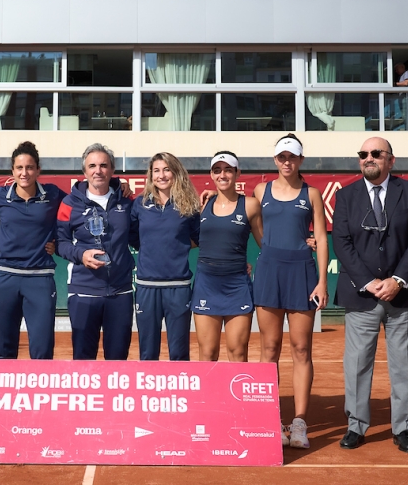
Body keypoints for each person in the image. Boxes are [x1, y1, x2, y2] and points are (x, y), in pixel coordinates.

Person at [333, 137, 408, 453]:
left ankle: (403, 429)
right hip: (362, 294)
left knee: (404, 365)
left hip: (401, 295)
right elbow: (342, 243)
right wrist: (368, 281)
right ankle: (356, 426)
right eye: (363, 154)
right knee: (357, 364)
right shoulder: (346, 195)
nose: (368, 158)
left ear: (391, 160)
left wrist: (398, 280)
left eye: (375, 153)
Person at [253, 134, 328, 449]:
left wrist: (322, 281)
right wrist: (269, 252)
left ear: (300, 160)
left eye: (292, 157)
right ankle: (266, 419)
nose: (287, 162)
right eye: (282, 157)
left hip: (302, 273)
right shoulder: (260, 190)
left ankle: (299, 423)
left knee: (300, 349)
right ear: (275, 160)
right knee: (269, 350)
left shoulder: (312, 193)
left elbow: (322, 238)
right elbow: (254, 227)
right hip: (270, 272)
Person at [57, 143, 136, 360]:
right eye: (92, 166)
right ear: (84, 172)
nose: (97, 170)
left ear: (112, 170)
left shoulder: (126, 201)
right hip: (83, 292)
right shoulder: (69, 203)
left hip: (120, 292)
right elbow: (61, 242)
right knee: (83, 359)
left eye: (103, 165)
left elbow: (141, 237)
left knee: (118, 359)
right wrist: (80, 255)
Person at [0, 142, 66, 360]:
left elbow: (82, 202)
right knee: (5, 350)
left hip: (40, 279)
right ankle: (5, 394)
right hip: (5, 278)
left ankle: (39, 394)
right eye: (20, 168)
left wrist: (119, 185)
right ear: (12, 171)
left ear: (38, 169)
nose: (25, 173)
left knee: (42, 351)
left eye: (30, 167)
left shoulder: (52, 194)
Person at [129, 152, 201, 361]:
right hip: (146, 286)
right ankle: (149, 394)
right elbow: (133, 235)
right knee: (148, 352)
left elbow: (200, 238)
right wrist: (152, 246)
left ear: (175, 172)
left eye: (166, 169)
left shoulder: (189, 204)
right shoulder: (140, 204)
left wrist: (176, 245)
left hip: (178, 287)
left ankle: (180, 394)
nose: (161, 175)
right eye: (156, 171)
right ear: (150, 175)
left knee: (179, 352)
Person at [192, 151, 262, 362]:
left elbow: (266, 244)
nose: (222, 175)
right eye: (217, 170)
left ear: (237, 173)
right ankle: (208, 397)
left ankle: (236, 396)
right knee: (207, 353)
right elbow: (189, 240)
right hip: (207, 284)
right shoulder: (201, 204)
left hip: (237, 285)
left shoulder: (250, 205)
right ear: (211, 175)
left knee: (238, 352)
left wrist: (302, 241)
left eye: (228, 170)